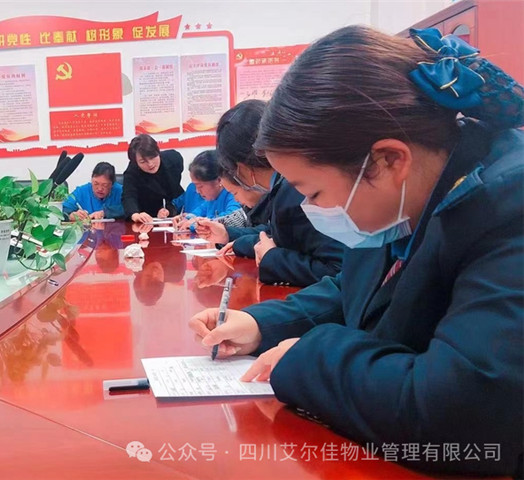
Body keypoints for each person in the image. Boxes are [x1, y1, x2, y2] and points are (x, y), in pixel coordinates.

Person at [190, 26, 524, 476]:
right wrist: (260, 323)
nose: (310, 209)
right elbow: (355, 286)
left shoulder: (509, 211)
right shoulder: (409, 198)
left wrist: (308, 358)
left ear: (388, 161)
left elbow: (463, 419)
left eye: (314, 192)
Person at [197, 100, 344, 287]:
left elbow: (337, 271)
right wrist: (232, 237)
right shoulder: (286, 188)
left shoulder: (295, 192)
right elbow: (276, 234)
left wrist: (272, 258)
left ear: (240, 167)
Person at [122, 134, 184, 222]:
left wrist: (169, 208)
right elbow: (129, 196)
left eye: (152, 157)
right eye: (143, 162)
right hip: (147, 214)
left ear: (158, 152)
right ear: (136, 163)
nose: (150, 164)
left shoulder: (174, 159)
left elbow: (175, 189)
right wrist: (134, 214)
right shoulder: (132, 171)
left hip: (173, 211)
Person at [174, 150, 241, 230]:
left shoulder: (233, 195)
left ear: (219, 180)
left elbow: (231, 218)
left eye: (200, 186)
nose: (197, 191)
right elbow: (199, 211)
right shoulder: (211, 198)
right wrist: (187, 218)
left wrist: (198, 223)